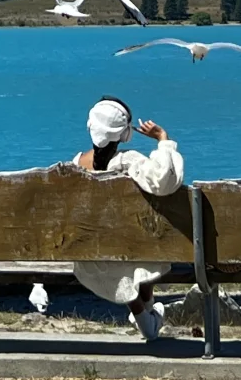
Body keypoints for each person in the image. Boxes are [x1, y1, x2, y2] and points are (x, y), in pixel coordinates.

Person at [70, 96, 184, 340]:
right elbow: (165, 180)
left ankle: (146, 316)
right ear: (124, 135)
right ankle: (148, 321)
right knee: (141, 248)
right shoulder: (127, 162)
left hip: (91, 257)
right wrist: (163, 140)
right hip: (131, 252)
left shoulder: (75, 165)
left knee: (126, 256)